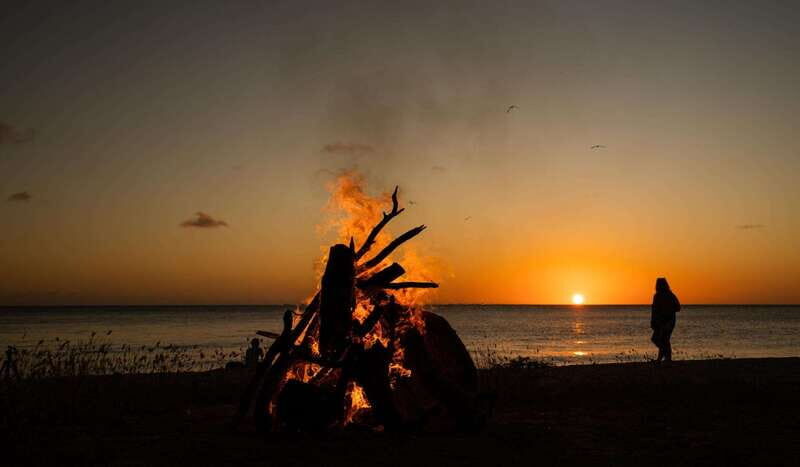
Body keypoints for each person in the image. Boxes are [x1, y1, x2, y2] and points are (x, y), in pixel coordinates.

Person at [651, 277, 681, 363]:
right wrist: (653, 321)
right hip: (661, 321)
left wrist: (668, 310)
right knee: (661, 339)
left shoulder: (669, 295)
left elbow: (678, 307)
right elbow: (654, 309)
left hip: (668, 320)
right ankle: (664, 358)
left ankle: (666, 358)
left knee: (663, 339)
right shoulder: (660, 296)